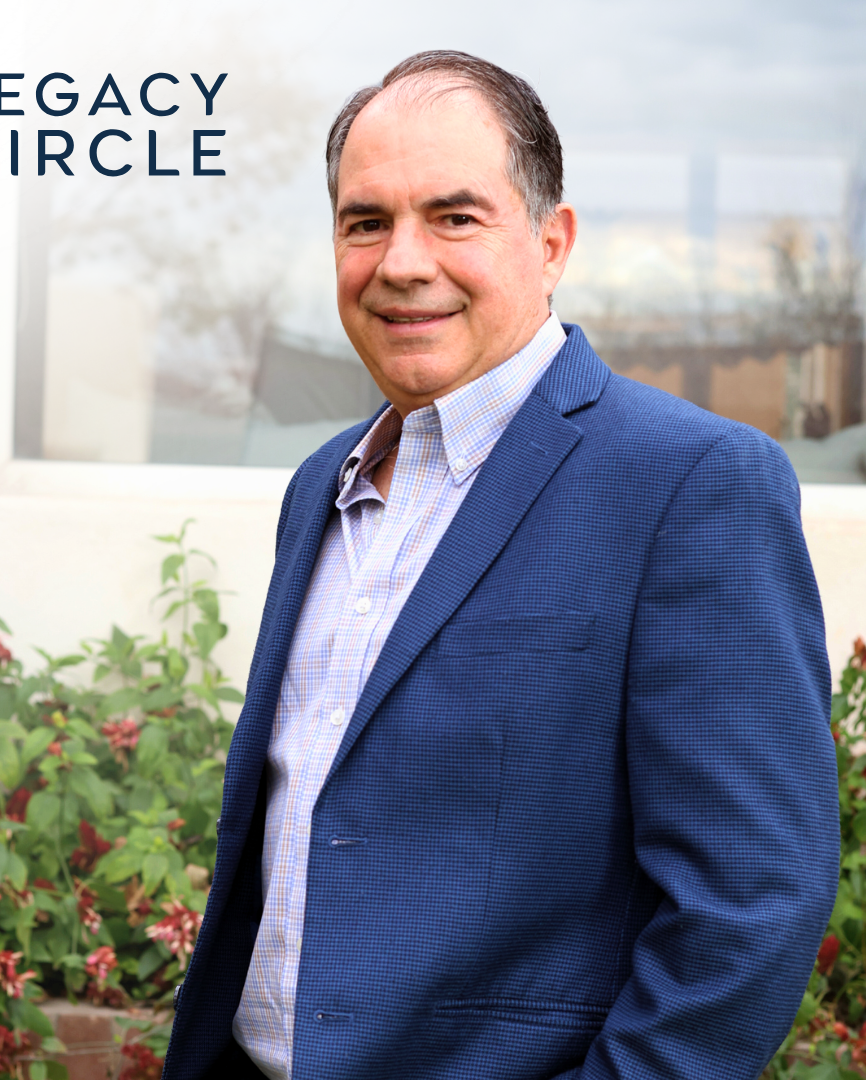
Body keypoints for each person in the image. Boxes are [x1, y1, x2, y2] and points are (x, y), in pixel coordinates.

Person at [161, 50, 840, 1080]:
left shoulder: (689, 483)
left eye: (454, 216)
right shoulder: (322, 486)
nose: (402, 262)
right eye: (365, 222)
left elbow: (751, 898)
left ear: (551, 242)